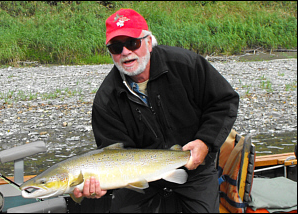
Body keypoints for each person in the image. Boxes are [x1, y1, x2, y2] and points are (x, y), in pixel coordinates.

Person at [73, 8, 239, 213]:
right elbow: (112, 151)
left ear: (149, 42)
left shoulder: (185, 64)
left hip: (195, 167)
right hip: (139, 182)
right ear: (111, 54)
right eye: (116, 47)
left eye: (132, 43)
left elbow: (224, 101)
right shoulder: (106, 100)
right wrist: (102, 187)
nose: (125, 52)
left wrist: (205, 141)